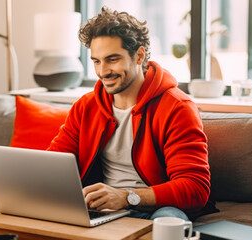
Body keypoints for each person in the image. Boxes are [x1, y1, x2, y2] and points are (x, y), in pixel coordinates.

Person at [47, 6, 211, 221]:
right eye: (97, 61)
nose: (103, 71)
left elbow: (195, 187)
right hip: (99, 207)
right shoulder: (86, 106)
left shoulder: (177, 107)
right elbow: (54, 163)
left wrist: (126, 197)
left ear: (139, 55)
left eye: (112, 59)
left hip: (156, 208)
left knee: (169, 222)